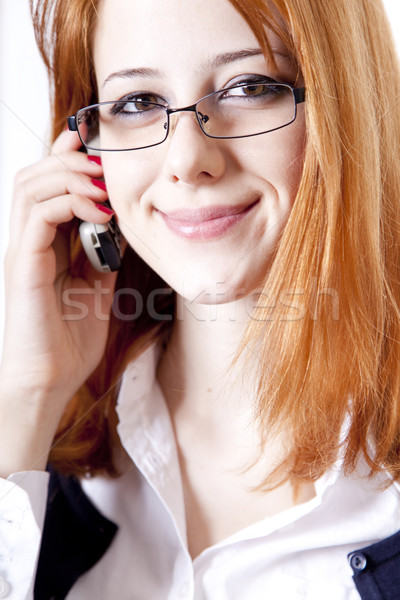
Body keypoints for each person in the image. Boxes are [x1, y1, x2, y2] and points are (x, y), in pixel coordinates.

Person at [1, 0, 400, 598]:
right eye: (136, 103)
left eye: (250, 86)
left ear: (347, 106)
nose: (187, 161)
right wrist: (27, 401)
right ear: (88, 153)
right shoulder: (42, 469)